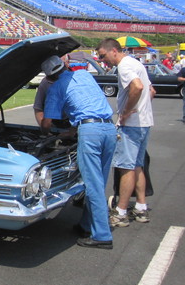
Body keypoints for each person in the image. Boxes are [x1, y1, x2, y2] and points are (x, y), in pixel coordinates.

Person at [40, 55, 116, 249]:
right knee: (100, 180)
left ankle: (102, 235)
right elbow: (89, 105)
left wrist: (45, 127)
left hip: (90, 132)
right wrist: (73, 129)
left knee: (92, 184)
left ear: (48, 77)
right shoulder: (84, 75)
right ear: (65, 65)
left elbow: (47, 124)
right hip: (109, 128)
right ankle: (87, 225)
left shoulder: (56, 88)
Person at [96, 38, 155, 227]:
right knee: (137, 166)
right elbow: (151, 91)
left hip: (132, 125)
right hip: (144, 122)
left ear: (114, 50)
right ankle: (141, 207)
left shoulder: (124, 66)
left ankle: (120, 211)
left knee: (126, 167)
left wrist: (126, 111)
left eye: (103, 56)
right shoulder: (136, 63)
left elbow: (137, 87)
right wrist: (142, 107)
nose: (103, 60)